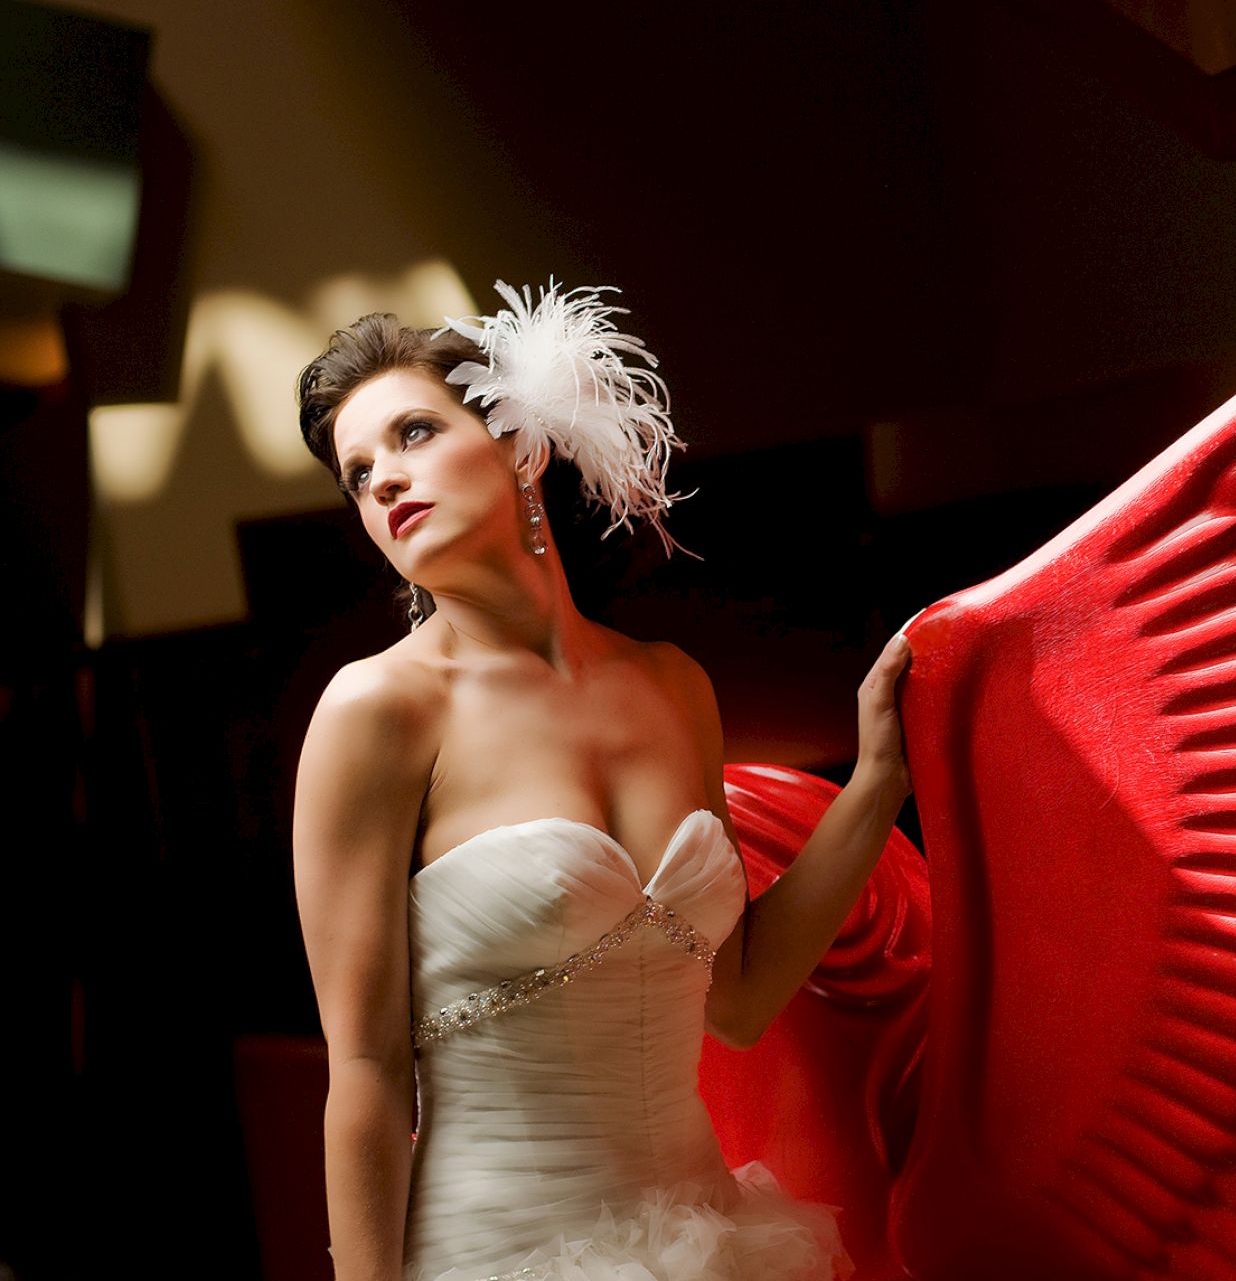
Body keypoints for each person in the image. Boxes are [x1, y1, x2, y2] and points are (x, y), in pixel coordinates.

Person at [290, 289, 907, 1281]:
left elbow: (739, 995)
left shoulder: (670, 684)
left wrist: (877, 778)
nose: (387, 480)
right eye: (358, 475)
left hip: (710, 1239)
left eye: (414, 431)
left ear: (522, 449)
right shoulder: (377, 711)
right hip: (496, 1251)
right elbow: (363, 1069)